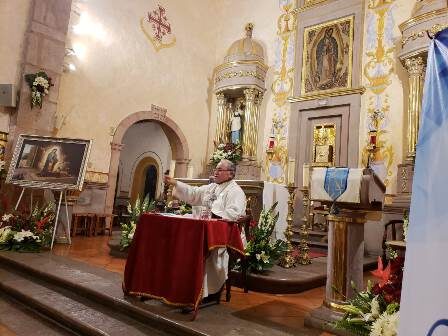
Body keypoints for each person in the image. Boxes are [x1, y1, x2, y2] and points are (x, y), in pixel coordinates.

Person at [164, 159, 246, 301]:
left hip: (225, 235)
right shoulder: (212, 187)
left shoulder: (235, 191)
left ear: (230, 174)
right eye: (216, 168)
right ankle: (186, 287)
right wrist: (175, 183)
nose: (215, 171)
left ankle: (208, 292)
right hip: (205, 230)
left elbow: (234, 214)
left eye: (220, 169)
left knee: (205, 251)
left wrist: (213, 215)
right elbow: (194, 193)